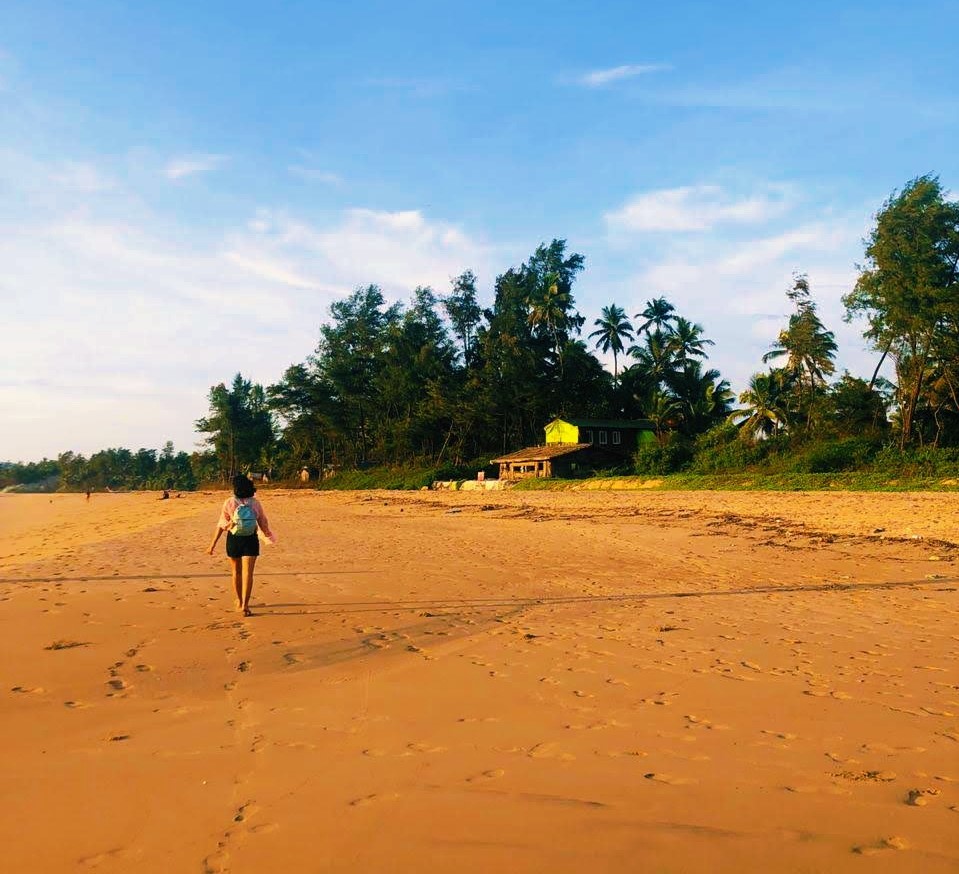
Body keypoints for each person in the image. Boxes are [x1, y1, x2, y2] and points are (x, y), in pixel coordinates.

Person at [207, 474, 277, 616]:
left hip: (234, 539)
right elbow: (263, 521)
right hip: (250, 540)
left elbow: (221, 525)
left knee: (236, 572)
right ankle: (245, 605)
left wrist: (212, 545)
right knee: (248, 574)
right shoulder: (255, 503)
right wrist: (268, 535)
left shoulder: (229, 502)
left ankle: (239, 601)